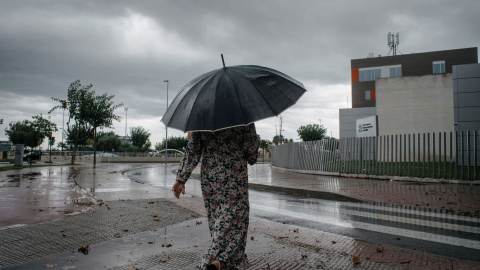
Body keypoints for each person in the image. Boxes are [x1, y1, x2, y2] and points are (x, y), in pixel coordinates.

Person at [172, 123, 260, 270]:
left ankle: (223, 263)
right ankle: (213, 261)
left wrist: (181, 178)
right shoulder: (243, 117)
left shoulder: (203, 116)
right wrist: (255, 141)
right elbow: (252, 156)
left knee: (218, 221)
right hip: (234, 176)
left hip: (210, 177)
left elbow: (192, 150)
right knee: (236, 223)